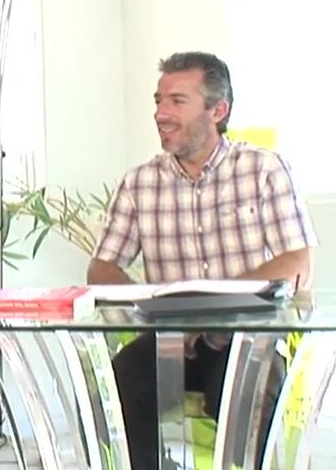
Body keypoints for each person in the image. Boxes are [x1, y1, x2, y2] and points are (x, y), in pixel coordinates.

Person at [88, 51, 318, 470]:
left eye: (177, 101)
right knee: (115, 388)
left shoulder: (263, 170)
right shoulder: (140, 183)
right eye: (159, 101)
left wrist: (209, 311)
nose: (161, 114)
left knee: (247, 396)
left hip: (244, 340)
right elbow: (102, 269)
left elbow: (297, 261)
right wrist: (155, 311)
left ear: (218, 110)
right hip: (168, 341)